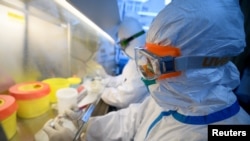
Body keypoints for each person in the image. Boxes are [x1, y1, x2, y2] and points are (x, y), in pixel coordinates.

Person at [42, 0, 250, 140]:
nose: (147, 76)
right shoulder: (175, 98)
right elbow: (132, 119)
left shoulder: (230, 131)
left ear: (203, 67)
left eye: (157, 63)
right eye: (146, 57)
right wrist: (85, 126)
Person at [99, 17, 149, 109]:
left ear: (126, 42)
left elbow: (122, 99)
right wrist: (105, 81)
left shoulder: (145, 63)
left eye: (122, 44)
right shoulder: (136, 58)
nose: (122, 49)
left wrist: (100, 91)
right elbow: (124, 78)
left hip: (134, 114)